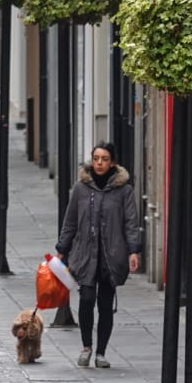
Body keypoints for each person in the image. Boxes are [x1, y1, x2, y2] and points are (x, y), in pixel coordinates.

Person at [55, 142, 142, 369]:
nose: (100, 163)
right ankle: (86, 346)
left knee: (105, 304)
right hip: (85, 254)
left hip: (111, 255)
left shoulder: (124, 191)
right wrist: (62, 248)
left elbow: (131, 223)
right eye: (96, 158)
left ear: (112, 162)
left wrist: (134, 250)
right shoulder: (81, 189)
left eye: (104, 159)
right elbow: (70, 221)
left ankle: (101, 351)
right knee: (86, 299)